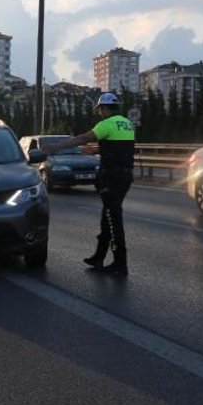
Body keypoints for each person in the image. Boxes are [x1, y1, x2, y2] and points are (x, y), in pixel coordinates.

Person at [43, 92, 135, 275]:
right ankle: (99, 257)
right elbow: (119, 148)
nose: (99, 113)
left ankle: (120, 263)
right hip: (125, 176)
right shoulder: (127, 123)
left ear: (104, 108)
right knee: (108, 216)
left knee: (113, 219)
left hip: (111, 177)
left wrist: (57, 147)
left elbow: (82, 138)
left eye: (100, 109)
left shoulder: (106, 124)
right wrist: (98, 149)